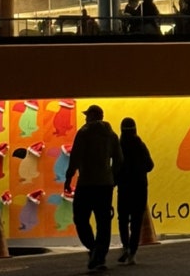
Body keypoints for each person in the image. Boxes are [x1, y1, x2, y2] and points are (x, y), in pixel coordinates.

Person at [65, 105, 123, 271]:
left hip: (86, 183)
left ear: (91, 116)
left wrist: (68, 178)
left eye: (87, 115)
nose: (85, 118)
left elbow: (75, 158)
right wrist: (113, 179)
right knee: (103, 222)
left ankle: (93, 248)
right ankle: (100, 256)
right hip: (105, 185)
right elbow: (119, 160)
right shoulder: (111, 135)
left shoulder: (84, 133)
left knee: (80, 218)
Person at [116, 117, 154, 266]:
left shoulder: (119, 146)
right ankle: (132, 252)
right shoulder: (140, 145)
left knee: (123, 219)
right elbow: (150, 165)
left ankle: (125, 246)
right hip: (140, 188)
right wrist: (139, 170)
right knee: (136, 221)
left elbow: (115, 168)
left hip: (124, 189)